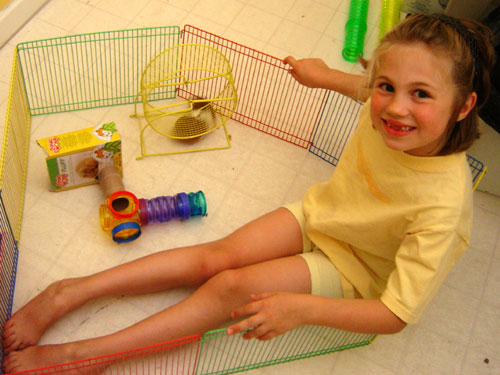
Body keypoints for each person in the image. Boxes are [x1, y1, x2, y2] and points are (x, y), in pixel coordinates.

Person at [3, 13, 495, 372]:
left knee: (229, 288)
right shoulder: (383, 102)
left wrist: (299, 309)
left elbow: (394, 315)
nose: (395, 108)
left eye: (422, 95)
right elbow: (360, 88)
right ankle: (66, 292)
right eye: (387, 86)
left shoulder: (443, 204)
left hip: (360, 270)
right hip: (325, 214)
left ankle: (88, 356)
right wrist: (320, 75)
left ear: (463, 106)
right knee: (216, 257)